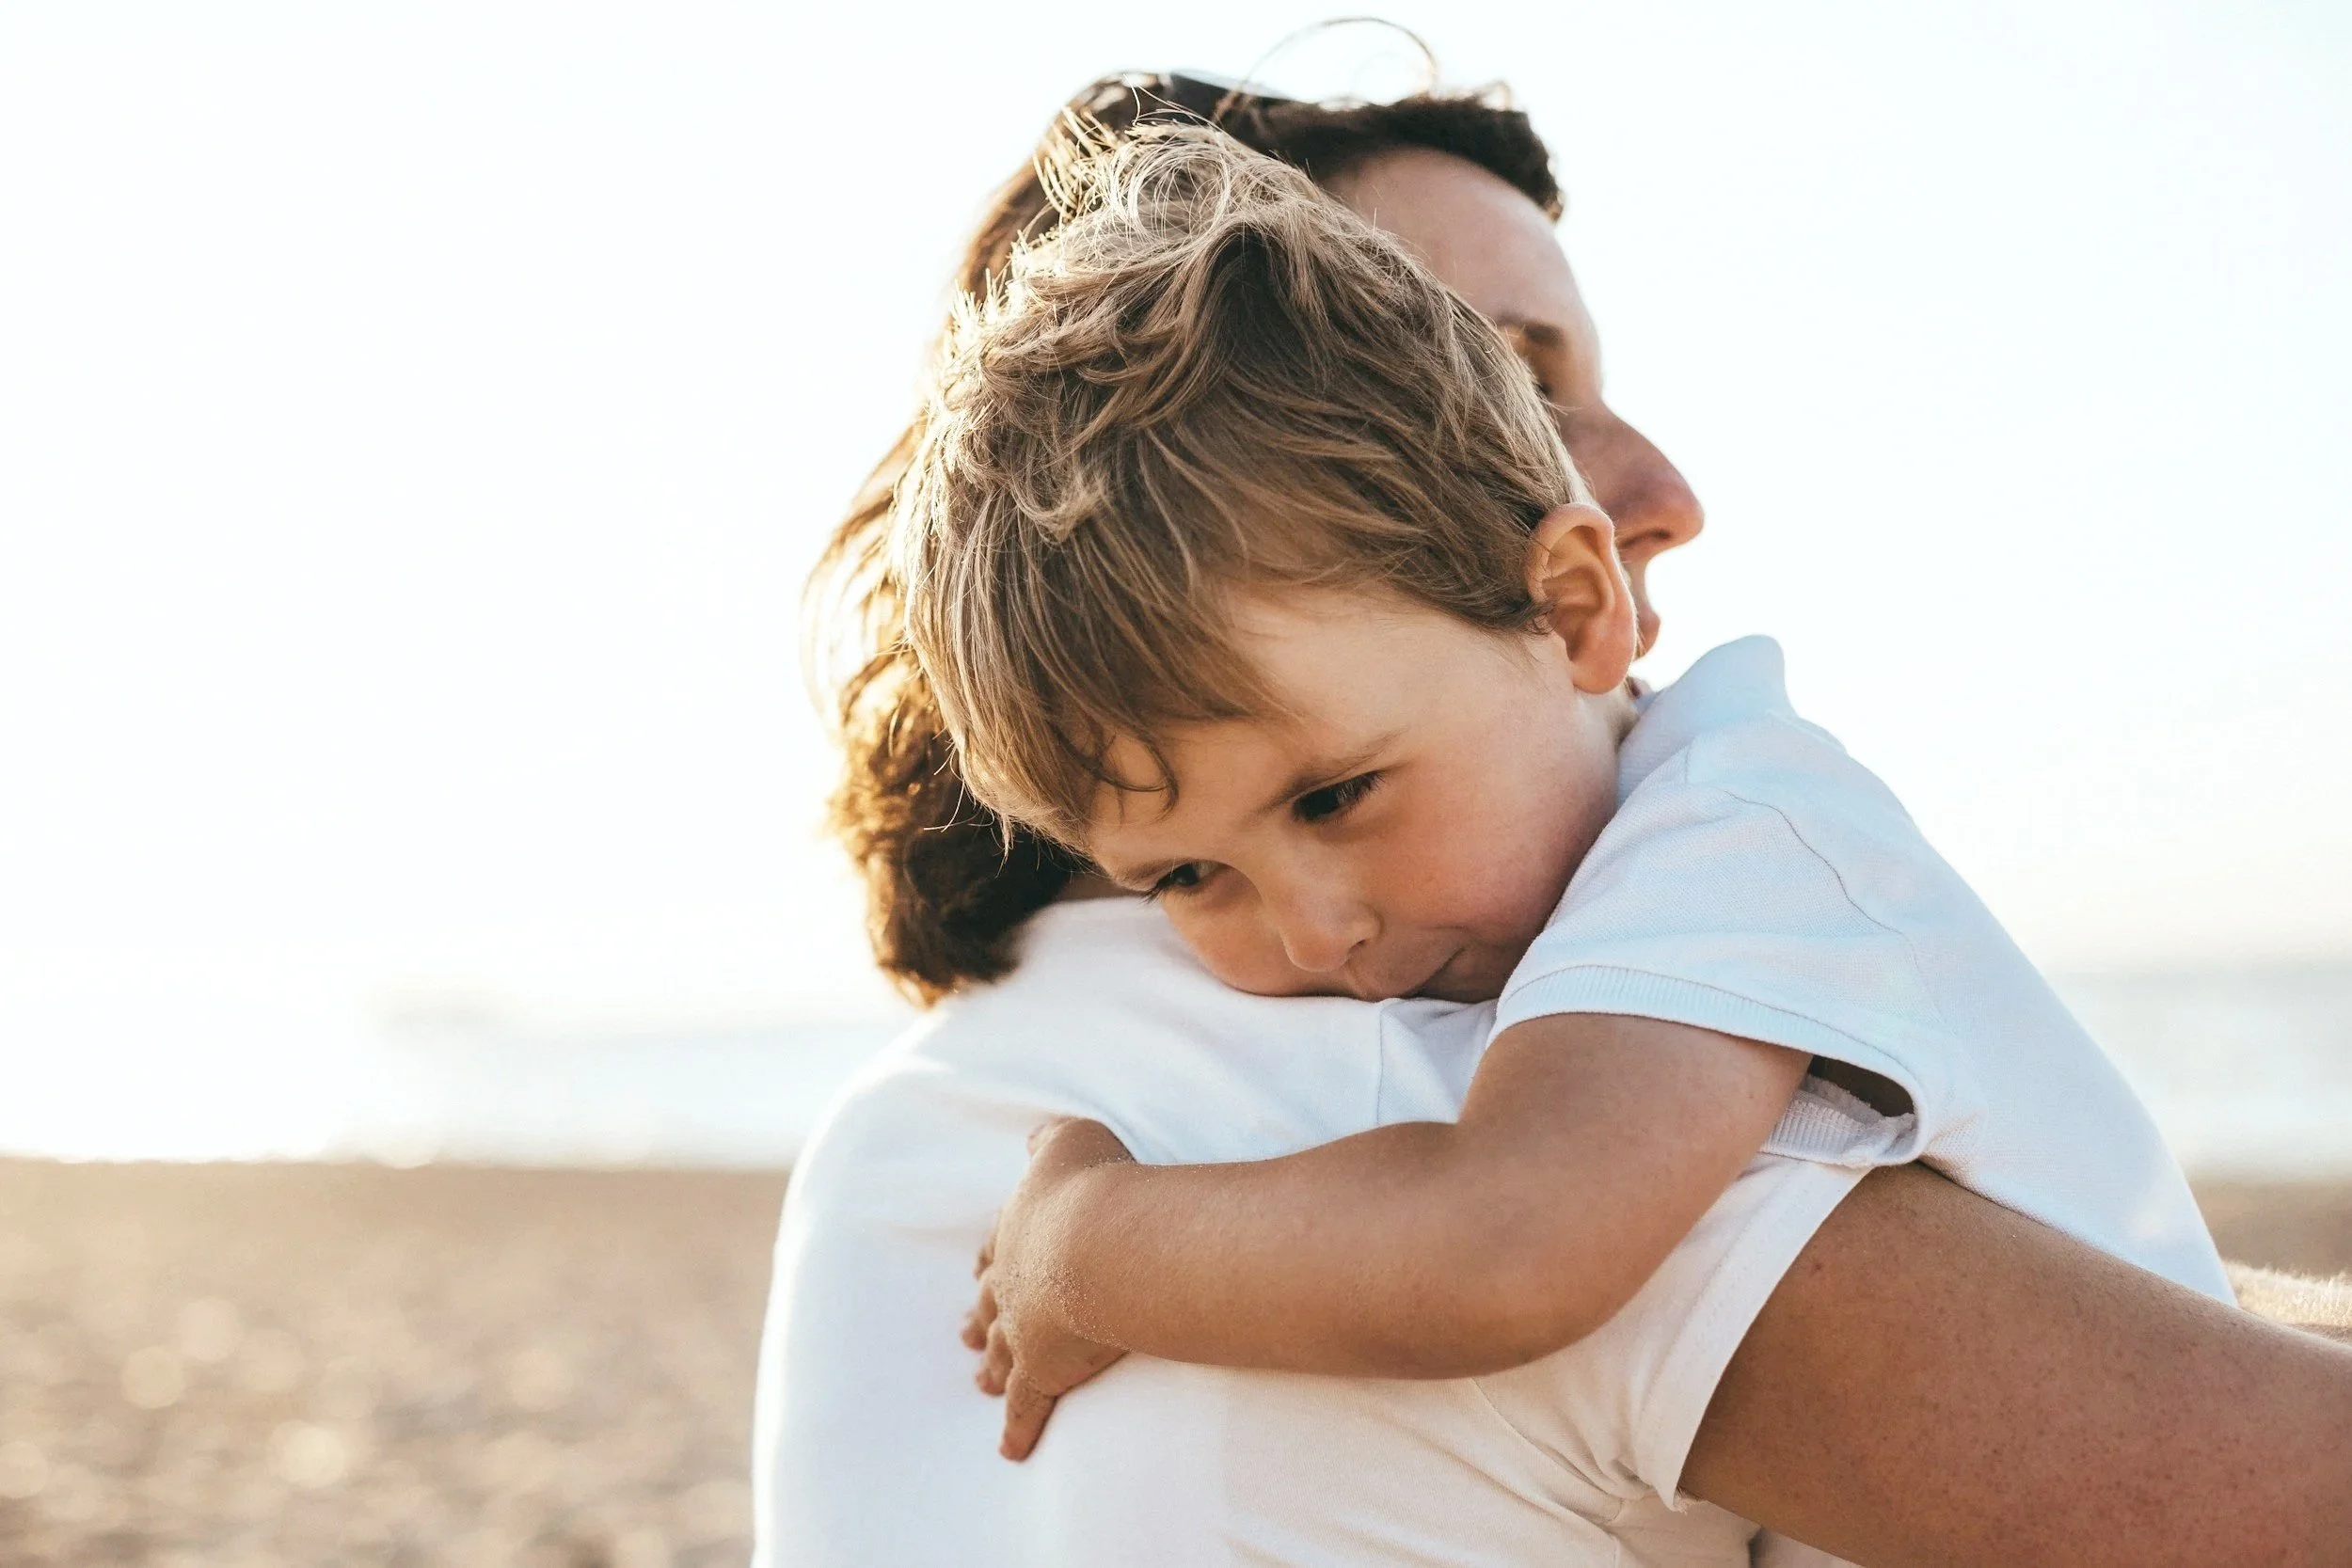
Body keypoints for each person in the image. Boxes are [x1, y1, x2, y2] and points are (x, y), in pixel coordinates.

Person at [757, 74, 2352, 1568]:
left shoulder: (933, 1113)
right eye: (1500, 372)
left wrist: (1087, 1241)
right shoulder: (1405, 1076)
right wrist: (1088, 1244)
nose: (1666, 485)